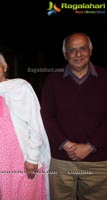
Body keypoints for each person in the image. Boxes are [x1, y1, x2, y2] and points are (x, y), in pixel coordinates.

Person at [0, 50, 51, 200]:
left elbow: (35, 123)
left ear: (5, 67)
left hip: (22, 158)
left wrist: (33, 157)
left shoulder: (22, 87)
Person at [41, 32, 107, 199]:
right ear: (65, 54)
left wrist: (90, 146)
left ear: (90, 51)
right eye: (72, 50)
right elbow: (47, 116)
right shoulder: (52, 80)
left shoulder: (105, 78)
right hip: (62, 159)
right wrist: (66, 144)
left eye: (83, 49)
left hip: (98, 161)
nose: (78, 54)